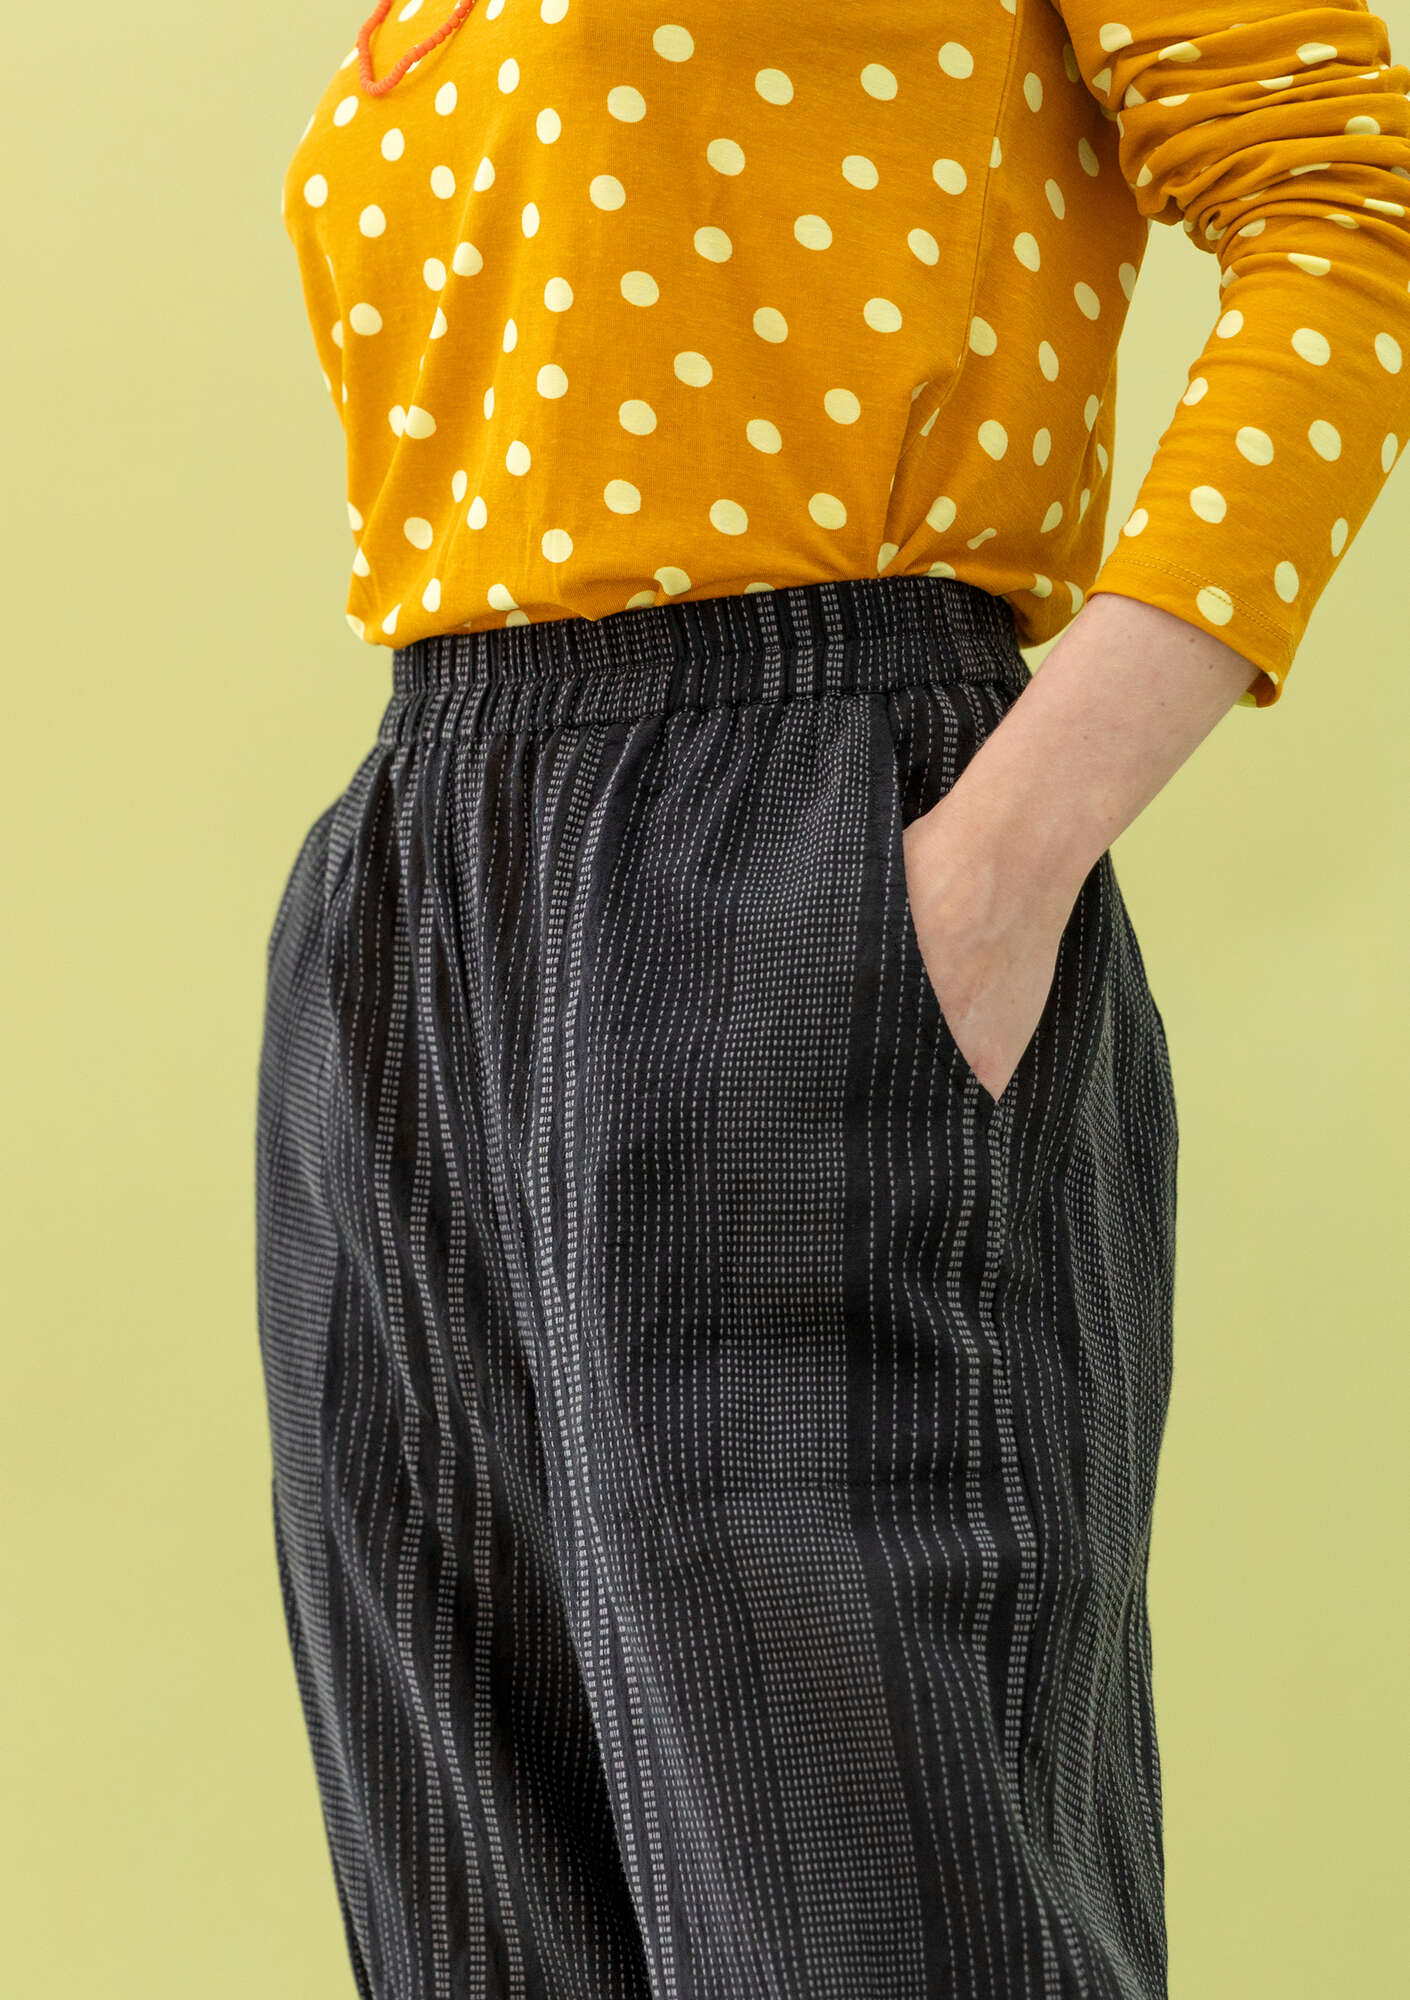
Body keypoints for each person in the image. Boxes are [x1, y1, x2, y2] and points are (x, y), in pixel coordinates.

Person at [254, 4, 1410, 1995]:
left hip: (794, 822)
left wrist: (1007, 852)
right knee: (480, 1913)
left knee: (873, 1903)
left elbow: (1349, 195)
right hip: (427, 873)